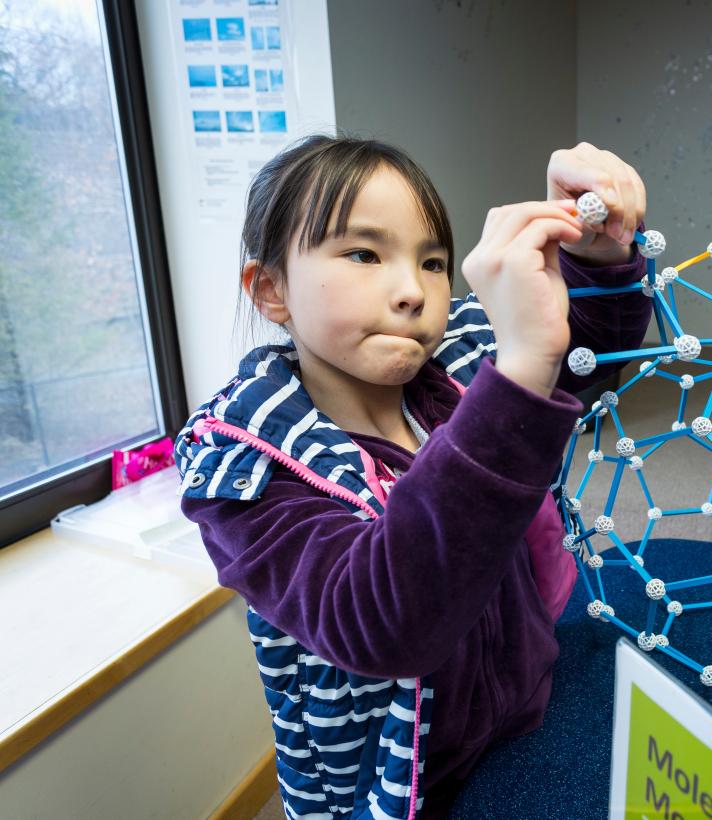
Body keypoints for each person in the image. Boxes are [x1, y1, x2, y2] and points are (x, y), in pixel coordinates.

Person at [173, 135, 653, 819]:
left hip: (525, 702)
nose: (412, 292)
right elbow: (382, 624)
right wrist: (518, 370)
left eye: (433, 262)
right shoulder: (244, 459)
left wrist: (596, 252)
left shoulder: (458, 350)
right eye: (363, 254)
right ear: (271, 289)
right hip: (400, 784)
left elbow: (585, 352)